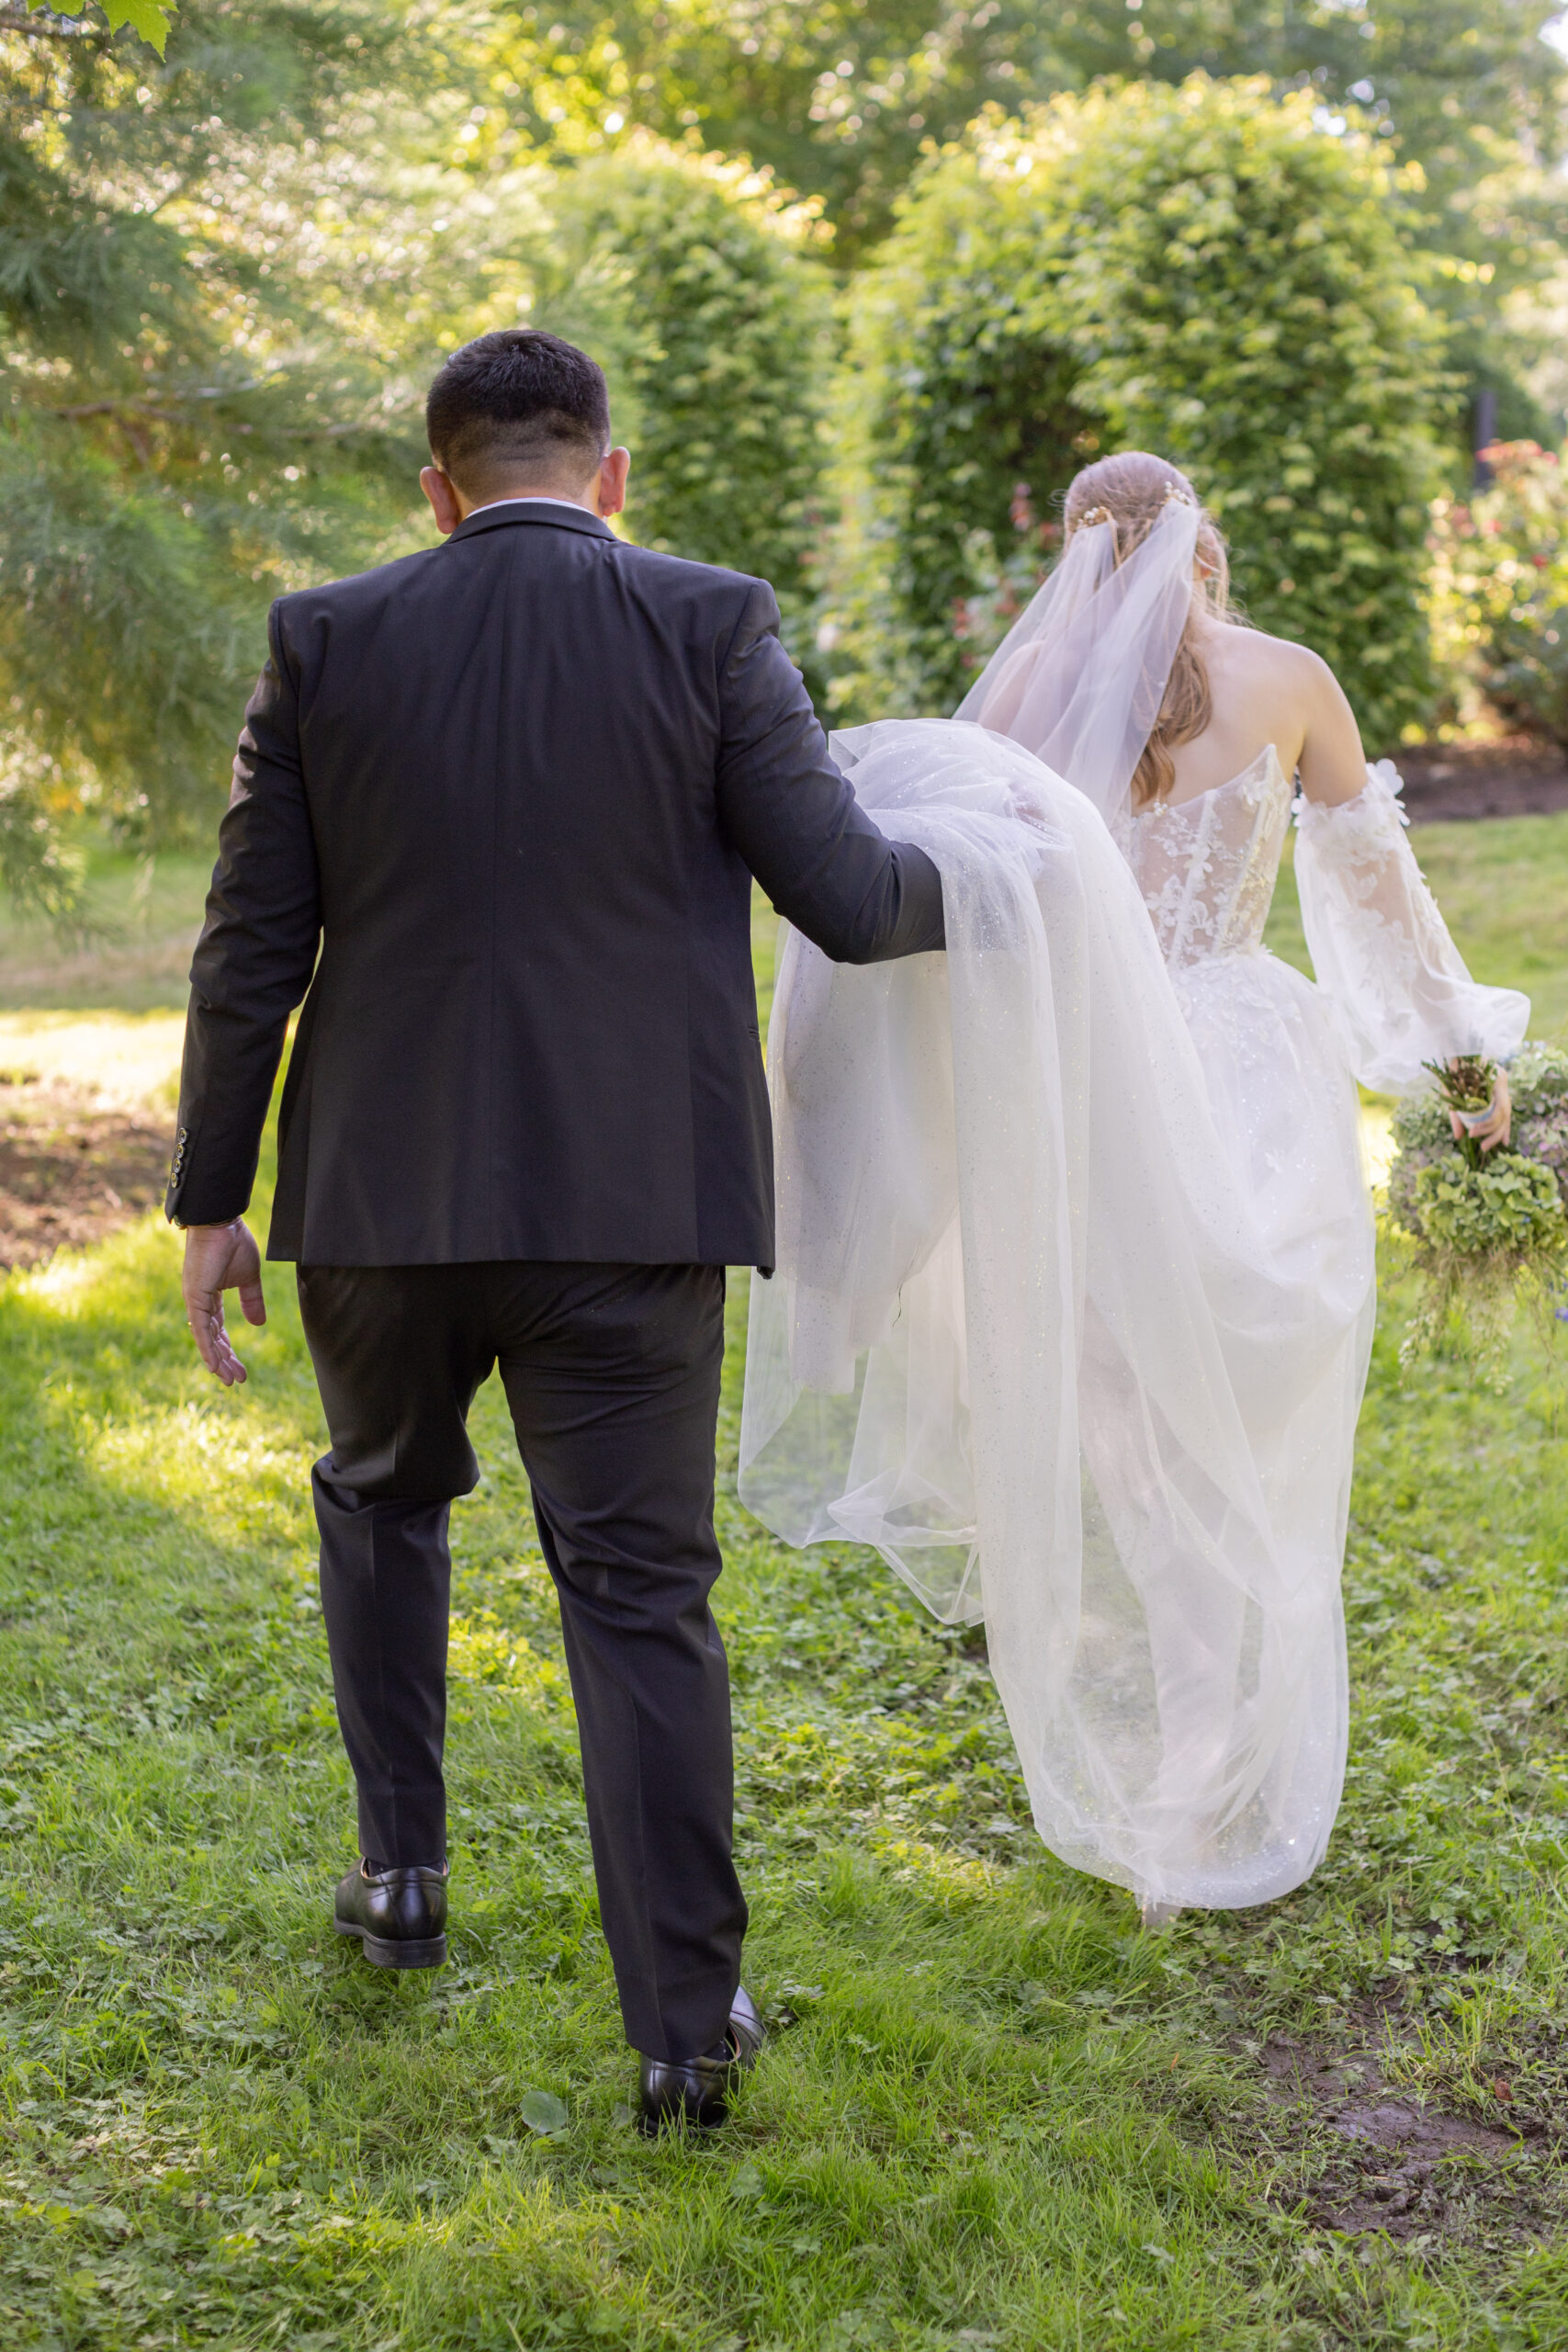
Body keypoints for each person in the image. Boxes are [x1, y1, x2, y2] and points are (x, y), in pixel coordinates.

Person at [167, 327, 945, 2131]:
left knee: (379, 1497)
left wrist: (211, 1193)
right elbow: (847, 893)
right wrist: (1019, 883)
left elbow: (247, 945)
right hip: (630, 1194)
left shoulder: (328, 638)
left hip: (377, 1193)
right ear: (609, 471)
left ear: (434, 493)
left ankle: (403, 1877)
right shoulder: (710, 618)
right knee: (640, 1594)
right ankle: (683, 2024)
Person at [739, 451, 1527, 1923]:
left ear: (1076, 551)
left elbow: (961, 884)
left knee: (1120, 1408)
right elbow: (1373, 899)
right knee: (1249, 1396)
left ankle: (1189, 1716)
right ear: (1203, 542)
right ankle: (1216, 1721)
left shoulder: (1032, 688)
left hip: (1089, 1065)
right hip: (1240, 1061)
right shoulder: (1291, 678)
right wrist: (1455, 1057)